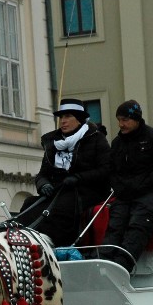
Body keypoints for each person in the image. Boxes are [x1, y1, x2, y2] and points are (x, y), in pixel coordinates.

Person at [15, 98, 111, 247]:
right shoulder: (52, 142)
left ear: (79, 119)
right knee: (29, 204)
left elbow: (105, 170)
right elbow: (42, 174)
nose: (62, 121)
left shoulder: (96, 138)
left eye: (68, 116)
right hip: (58, 190)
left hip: (86, 190)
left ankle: (56, 246)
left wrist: (78, 178)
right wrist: (43, 184)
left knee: (60, 208)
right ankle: (24, 242)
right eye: (61, 117)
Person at [102, 99, 153, 271]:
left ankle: (122, 267)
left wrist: (145, 183)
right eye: (119, 120)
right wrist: (119, 186)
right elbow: (110, 170)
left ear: (136, 119)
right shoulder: (117, 143)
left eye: (125, 120)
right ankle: (104, 265)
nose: (121, 124)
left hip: (149, 194)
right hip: (124, 195)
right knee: (114, 228)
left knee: (137, 227)